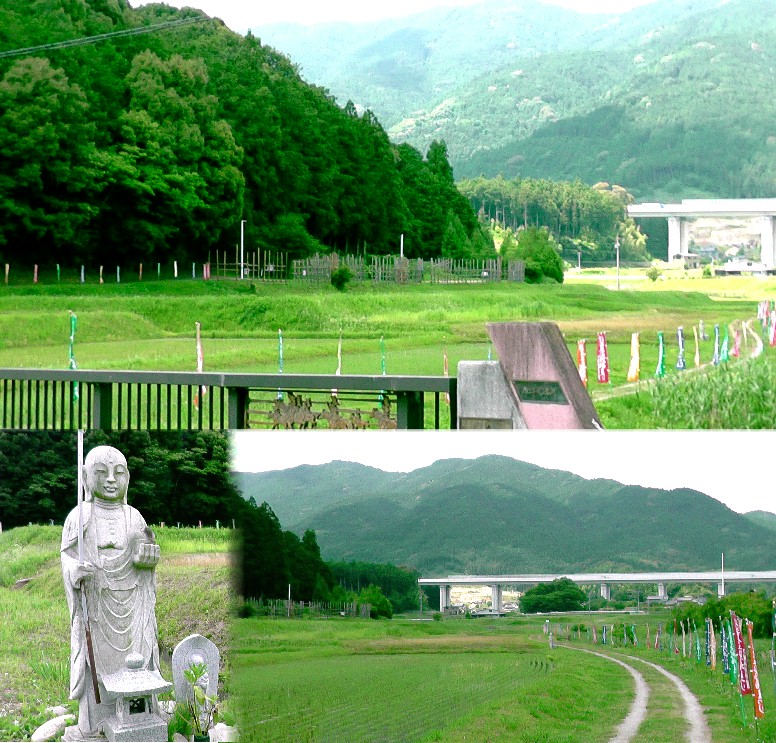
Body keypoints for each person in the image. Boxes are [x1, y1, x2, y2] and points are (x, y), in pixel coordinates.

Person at [61, 445, 161, 740]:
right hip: (96, 605)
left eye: (118, 473)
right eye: (101, 473)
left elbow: (147, 550)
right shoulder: (80, 516)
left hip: (133, 603)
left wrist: (148, 559)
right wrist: (73, 571)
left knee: (137, 655)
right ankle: (95, 719)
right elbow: (67, 557)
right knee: (96, 665)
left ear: (127, 478)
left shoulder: (134, 517)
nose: (110, 480)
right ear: (85, 477)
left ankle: (143, 715)